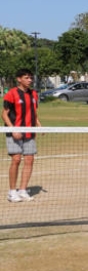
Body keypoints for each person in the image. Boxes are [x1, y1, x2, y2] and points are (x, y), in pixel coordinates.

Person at [3, 68, 41, 203]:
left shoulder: (34, 94)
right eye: (26, 78)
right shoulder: (11, 94)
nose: (30, 80)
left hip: (29, 132)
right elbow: (4, 114)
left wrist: (38, 123)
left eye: (31, 78)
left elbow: (33, 111)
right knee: (16, 159)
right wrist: (13, 130)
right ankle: (12, 192)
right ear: (19, 79)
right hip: (15, 131)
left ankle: (23, 190)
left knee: (29, 159)